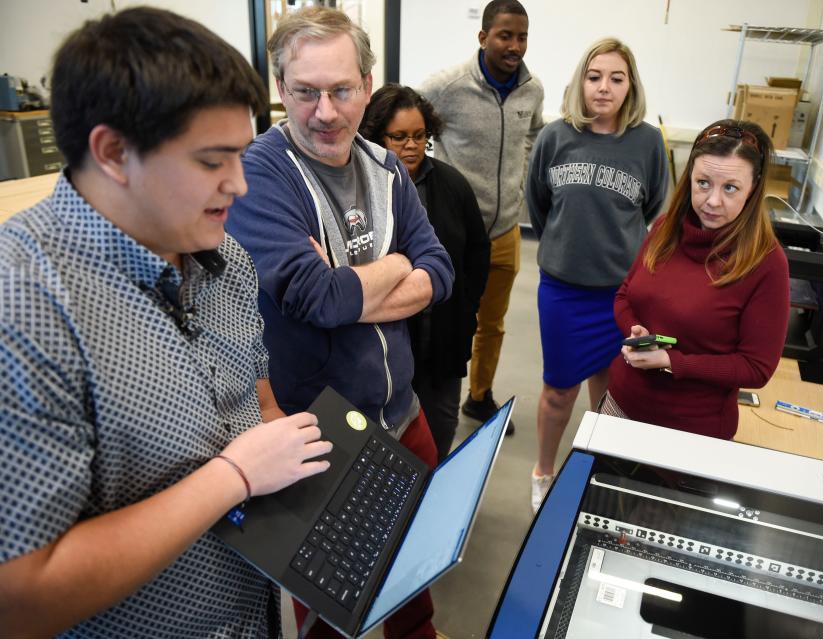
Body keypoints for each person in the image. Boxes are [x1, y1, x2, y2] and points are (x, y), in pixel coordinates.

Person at [0, 8, 334, 637]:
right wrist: (232, 477)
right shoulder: (24, 304)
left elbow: (257, 404)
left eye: (241, 154)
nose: (238, 184)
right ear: (114, 152)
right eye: (212, 161)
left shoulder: (224, 258)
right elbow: (20, 596)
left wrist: (327, 499)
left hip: (250, 614)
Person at [224, 7, 453, 638]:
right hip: (318, 435)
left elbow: (441, 269)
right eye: (305, 92)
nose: (326, 111)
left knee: (413, 584)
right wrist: (397, 261)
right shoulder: (261, 174)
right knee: (331, 610)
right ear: (280, 89)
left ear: (368, 85)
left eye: (342, 90)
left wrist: (361, 277)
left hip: (403, 417)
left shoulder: (382, 168)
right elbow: (313, 297)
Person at [526, 38, 669, 512]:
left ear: (630, 86)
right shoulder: (554, 137)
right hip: (564, 293)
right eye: (594, 77)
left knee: (611, 389)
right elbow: (540, 207)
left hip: (621, 294)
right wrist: (569, 249)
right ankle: (544, 470)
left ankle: (596, 467)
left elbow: (650, 209)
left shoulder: (647, 142)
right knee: (558, 388)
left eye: (616, 78)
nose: (603, 88)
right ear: (580, 82)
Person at [602, 119, 790, 441]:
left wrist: (672, 362)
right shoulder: (664, 229)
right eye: (703, 183)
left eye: (730, 188)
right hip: (620, 404)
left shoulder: (766, 263)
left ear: (754, 188)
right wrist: (638, 332)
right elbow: (623, 295)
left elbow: (755, 367)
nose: (712, 201)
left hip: (690, 430)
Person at [420, 0, 544, 434]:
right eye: (505, 35)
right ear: (483, 36)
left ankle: (478, 397)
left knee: (491, 323)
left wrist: (518, 172)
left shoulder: (532, 90)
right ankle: (426, 398)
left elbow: (532, 133)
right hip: (453, 235)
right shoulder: (448, 86)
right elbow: (407, 124)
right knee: (447, 317)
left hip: (506, 230)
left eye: (522, 36)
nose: (514, 45)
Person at [360, 85, 490, 461]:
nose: (412, 145)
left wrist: (466, 308)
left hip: (444, 339)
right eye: (399, 137)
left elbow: (477, 253)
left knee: (441, 423)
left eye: (419, 136)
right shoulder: (365, 189)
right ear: (376, 135)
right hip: (386, 344)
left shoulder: (452, 185)